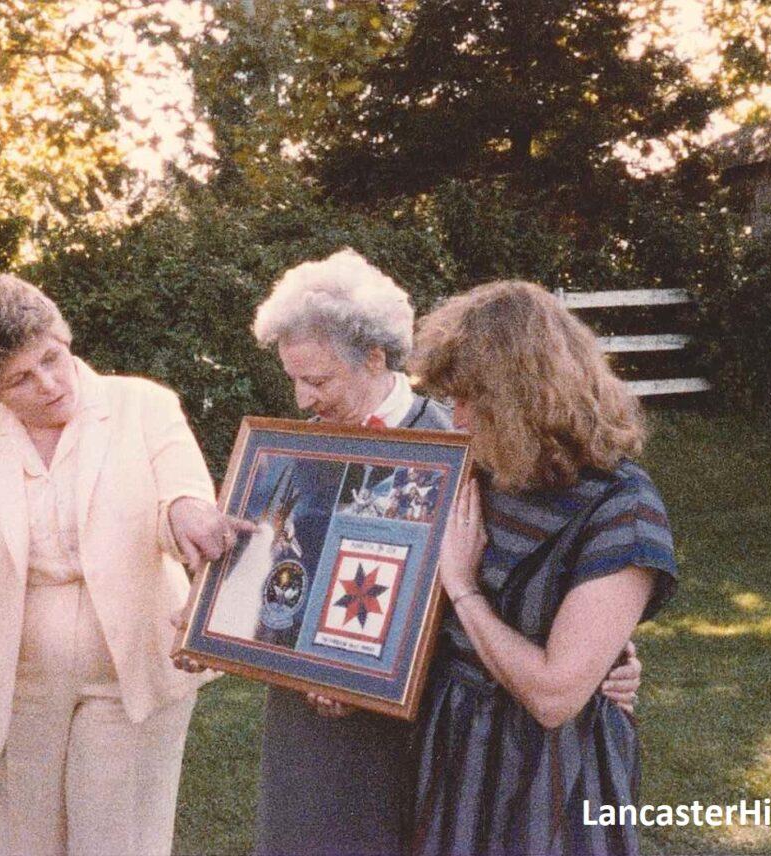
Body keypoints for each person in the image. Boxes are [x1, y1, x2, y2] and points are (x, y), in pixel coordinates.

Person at [229, 249, 640, 856]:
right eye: (293, 379)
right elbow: (282, 579)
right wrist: (226, 605)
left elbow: (551, 562)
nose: (302, 399)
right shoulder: (296, 451)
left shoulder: (469, 445)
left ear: (374, 357)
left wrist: (612, 653)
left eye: (317, 380)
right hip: (321, 739)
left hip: (440, 731)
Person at [0, 273, 249, 855]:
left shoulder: (143, 406)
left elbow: (178, 495)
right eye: (20, 378)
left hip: (132, 680)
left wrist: (188, 515)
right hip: (13, 691)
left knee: (119, 844)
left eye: (51, 358)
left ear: (64, 337)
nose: (48, 384)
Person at [408, 280, 679, 856]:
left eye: (466, 401)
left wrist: (462, 587)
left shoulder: (620, 507)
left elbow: (555, 696)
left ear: (520, 401)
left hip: (552, 771)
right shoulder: (477, 471)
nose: (451, 419)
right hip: (455, 748)